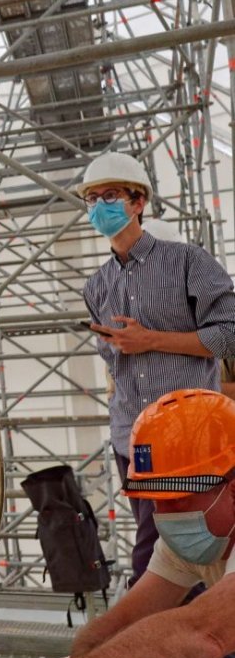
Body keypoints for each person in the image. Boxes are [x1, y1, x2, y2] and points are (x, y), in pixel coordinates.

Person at [0, 388, 235, 658]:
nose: (164, 516)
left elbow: (202, 634)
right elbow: (125, 621)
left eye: (178, 501)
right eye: (155, 499)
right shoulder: (197, 533)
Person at [78, 152, 235, 580]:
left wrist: (150, 339)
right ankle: (185, 633)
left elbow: (230, 333)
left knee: (174, 552)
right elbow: (115, 362)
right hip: (131, 438)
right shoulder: (96, 286)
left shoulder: (187, 261)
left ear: (138, 202)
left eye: (110, 196)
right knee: (168, 557)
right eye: (91, 199)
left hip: (190, 438)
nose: (99, 207)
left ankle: (176, 635)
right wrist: (122, 346)